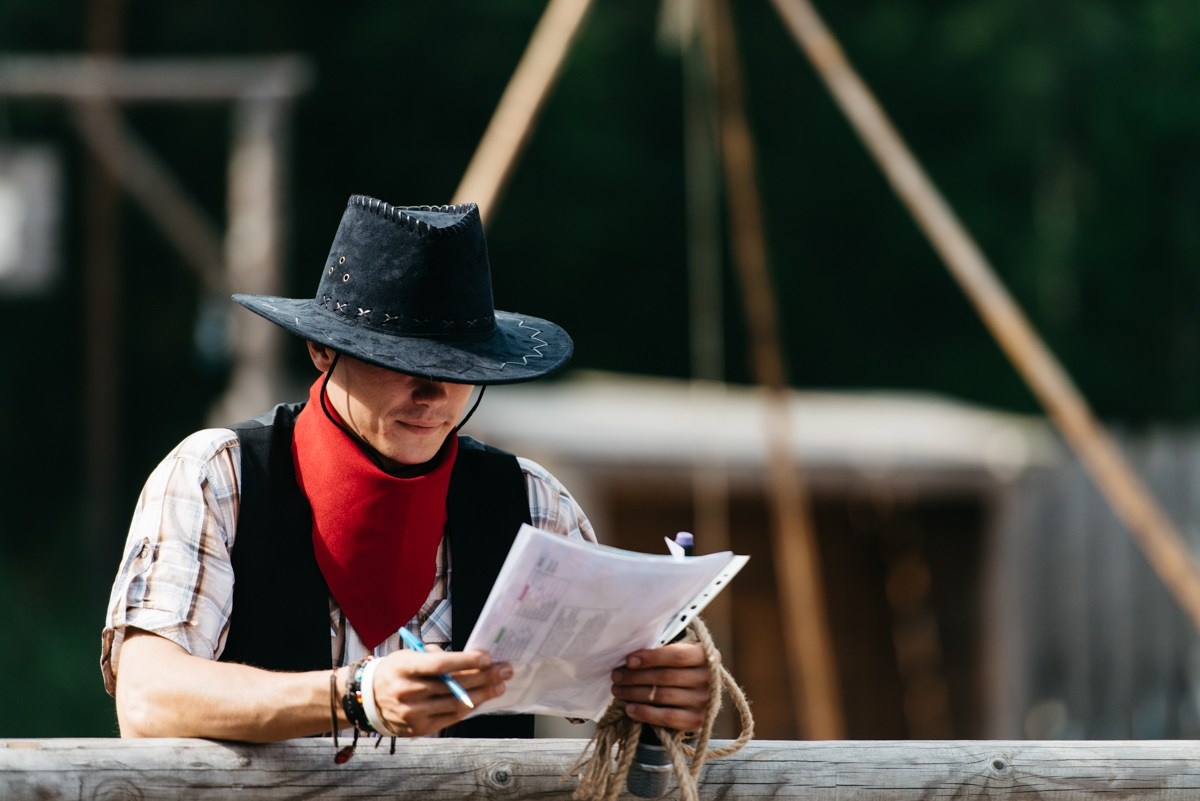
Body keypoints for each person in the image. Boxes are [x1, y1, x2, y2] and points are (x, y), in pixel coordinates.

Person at [101, 195, 715, 747]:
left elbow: (616, 699)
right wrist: (354, 696)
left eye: (458, 365)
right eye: (398, 360)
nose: (433, 393)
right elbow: (148, 699)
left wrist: (666, 695)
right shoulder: (219, 476)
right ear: (322, 349)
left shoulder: (534, 504)